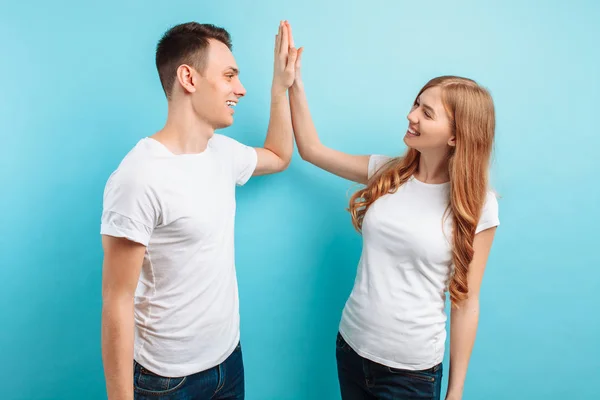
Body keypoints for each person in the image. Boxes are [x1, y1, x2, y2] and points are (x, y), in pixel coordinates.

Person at [287, 24, 500, 399]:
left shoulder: (478, 206)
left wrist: (456, 392)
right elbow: (311, 149)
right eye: (416, 103)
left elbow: (466, 301)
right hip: (351, 348)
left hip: (411, 374)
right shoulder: (388, 172)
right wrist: (293, 83)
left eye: (426, 112)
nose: (411, 115)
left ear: (455, 135)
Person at [100, 21, 298, 400]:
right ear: (189, 78)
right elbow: (117, 301)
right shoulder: (138, 177)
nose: (239, 89)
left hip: (228, 360)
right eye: (228, 76)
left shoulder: (221, 152)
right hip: (167, 381)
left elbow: (278, 155)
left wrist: (280, 87)